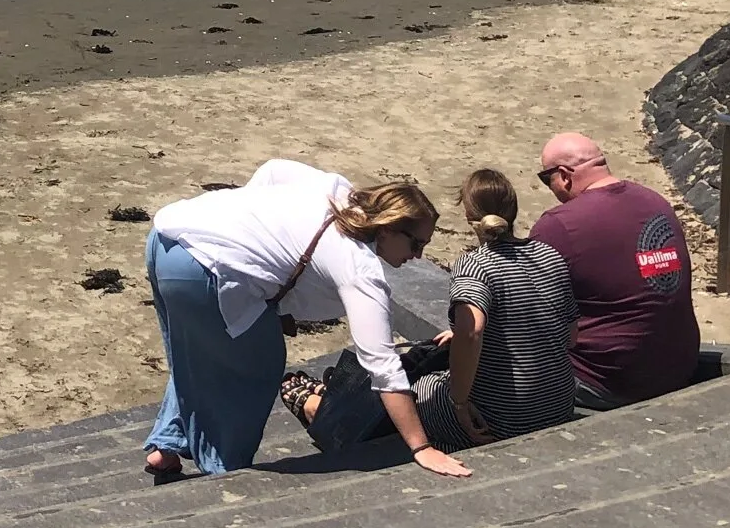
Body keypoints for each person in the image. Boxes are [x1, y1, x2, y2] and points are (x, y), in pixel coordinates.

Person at [142, 159, 472, 482]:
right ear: (387, 227)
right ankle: (224, 472)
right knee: (256, 368)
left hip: (167, 237)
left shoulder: (336, 189)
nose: (418, 256)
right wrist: (421, 446)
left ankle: (168, 445)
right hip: (208, 271)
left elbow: (273, 170)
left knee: (196, 349)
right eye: (415, 244)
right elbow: (382, 364)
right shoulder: (358, 267)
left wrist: (255, 231)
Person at [287, 167, 576, 455]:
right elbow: (570, 334)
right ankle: (331, 398)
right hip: (559, 404)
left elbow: (472, 331)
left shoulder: (475, 265)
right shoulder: (549, 255)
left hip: (502, 418)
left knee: (407, 392)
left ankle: (321, 408)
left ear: (468, 216)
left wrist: (460, 403)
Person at [529, 131, 699, 409]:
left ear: (564, 175)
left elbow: (524, 307)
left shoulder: (559, 225)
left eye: (546, 179)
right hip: (679, 368)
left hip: (606, 380)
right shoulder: (656, 202)